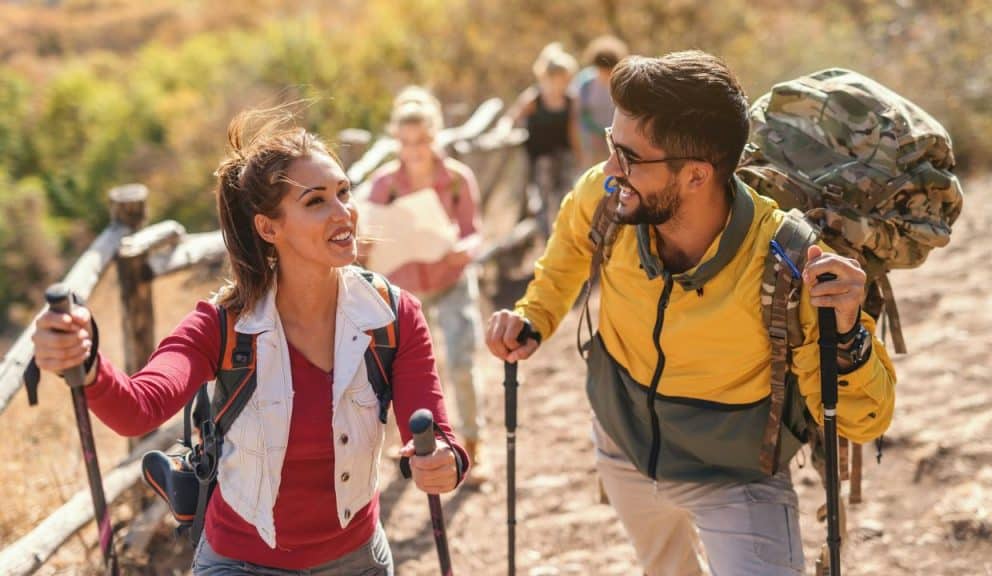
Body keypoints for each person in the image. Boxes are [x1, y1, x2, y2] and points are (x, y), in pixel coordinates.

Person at [485, 51, 896, 575]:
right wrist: (534, 316)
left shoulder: (785, 262)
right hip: (625, 447)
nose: (611, 168)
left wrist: (848, 337)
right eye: (613, 146)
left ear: (697, 175)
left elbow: (865, 419)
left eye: (629, 156)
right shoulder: (608, 197)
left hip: (736, 478)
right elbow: (568, 252)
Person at [31, 107, 467, 576]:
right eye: (316, 201)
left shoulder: (393, 316)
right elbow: (138, 407)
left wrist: (444, 460)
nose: (344, 213)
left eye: (344, 192)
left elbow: (436, 435)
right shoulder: (221, 327)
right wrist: (87, 361)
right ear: (268, 227)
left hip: (356, 561)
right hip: (240, 563)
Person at [366, 87, 490, 485]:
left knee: (460, 359)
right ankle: (414, 445)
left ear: (435, 136)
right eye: (406, 142)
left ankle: (471, 446)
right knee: (409, 370)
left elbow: (474, 233)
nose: (414, 150)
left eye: (421, 141)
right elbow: (369, 236)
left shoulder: (456, 179)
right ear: (396, 141)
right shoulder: (384, 185)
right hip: (406, 292)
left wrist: (463, 251)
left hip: (451, 279)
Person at [504, 42, 583, 237]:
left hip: (563, 155)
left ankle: (565, 237)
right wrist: (508, 132)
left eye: (565, 80)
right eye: (558, 79)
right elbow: (512, 117)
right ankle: (546, 238)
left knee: (567, 196)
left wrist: (578, 155)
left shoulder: (570, 100)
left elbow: (573, 130)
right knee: (542, 200)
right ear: (547, 77)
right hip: (540, 157)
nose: (561, 84)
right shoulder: (535, 98)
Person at [573, 35, 629, 169]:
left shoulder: (624, 82)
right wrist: (593, 132)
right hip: (592, 139)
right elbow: (579, 112)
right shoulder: (585, 83)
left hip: (619, 138)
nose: (605, 74)